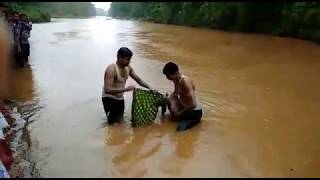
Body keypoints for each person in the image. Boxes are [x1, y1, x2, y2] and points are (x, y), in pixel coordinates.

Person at [102, 47, 155, 124]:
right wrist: (125, 89)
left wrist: (150, 88)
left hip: (120, 98)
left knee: (121, 120)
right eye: (127, 59)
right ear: (120, 58)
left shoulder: (128, 68)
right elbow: (107, 90)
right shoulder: (111, 69)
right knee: (112, 124)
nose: (129, 62)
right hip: (108, 99)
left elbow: (139, 80)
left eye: (130, 59)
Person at [162, 62, 203, 131]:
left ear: (175, 73)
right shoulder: (176, 80)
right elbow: (175, 93)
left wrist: (178, 114)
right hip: (185, 106)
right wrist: (167, 99)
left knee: (179, 130)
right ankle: (179, 117)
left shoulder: (185, 82)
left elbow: (193, 105)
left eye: (168, 76)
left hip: (194, 112)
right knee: (169, 100)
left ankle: (194, 121)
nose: (167, 78)